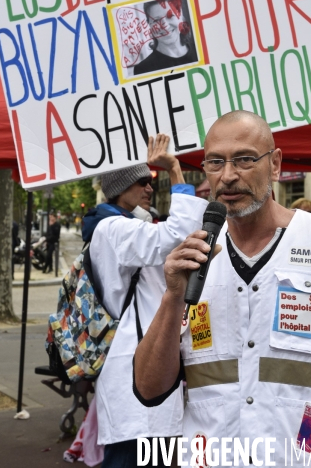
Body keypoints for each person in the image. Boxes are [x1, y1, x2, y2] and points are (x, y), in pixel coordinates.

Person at [133, 111, 311, 468]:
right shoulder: (190, 257)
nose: (228, 175)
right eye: (215, 162)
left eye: (244, 159)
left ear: (275, 165)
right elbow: (149, 389)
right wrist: (172, 296)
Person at [82, 134, 208, 468]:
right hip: (132, 381)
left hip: (144, 371)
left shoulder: (126, 226)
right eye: (141, 181)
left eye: (151, 179)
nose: (150, 187)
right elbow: (179, 236)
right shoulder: (112, 229)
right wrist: (175, 171)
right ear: (119, 188)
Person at [134, 0, 198, 75]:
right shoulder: (143, 69)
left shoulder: (200, 50)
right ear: (149, 25)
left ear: (180, 17)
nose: (165, 26)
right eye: (156, 20)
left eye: (170, 16)